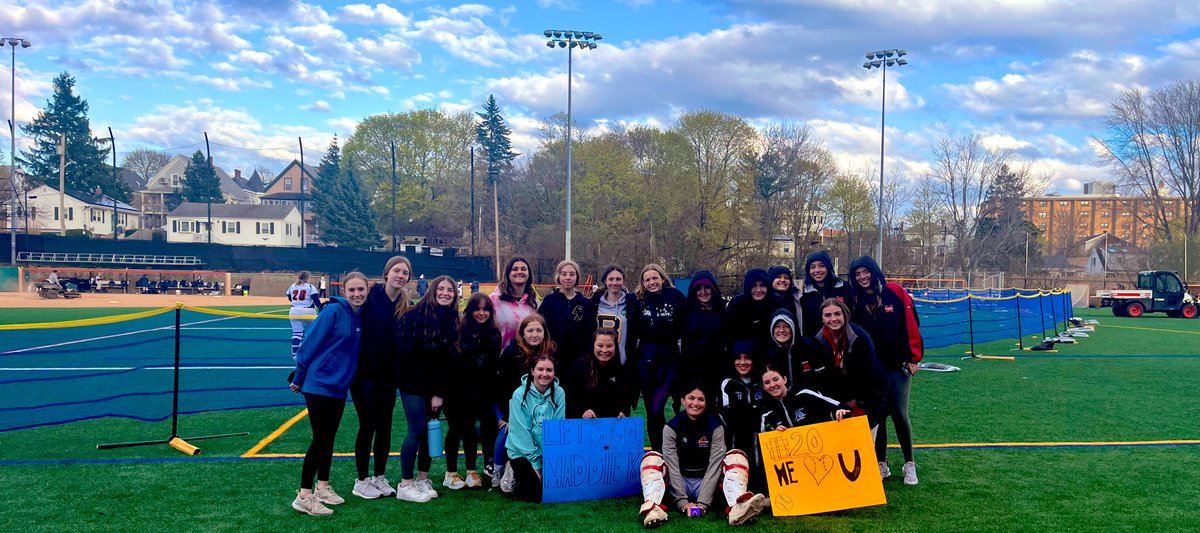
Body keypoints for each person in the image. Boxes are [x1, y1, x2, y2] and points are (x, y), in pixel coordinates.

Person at [288, 272, 369, 516]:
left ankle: (322, 486)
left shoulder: (360, 316)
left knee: (329, 437)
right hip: (319, 384)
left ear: (368, 291)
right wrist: (300, 376)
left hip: (338, 386)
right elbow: (309, 344)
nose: (357, 294)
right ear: (344, 291)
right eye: (352, 290)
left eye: (361, 290)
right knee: (320, 439)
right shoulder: (333, 311)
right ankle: (304, 495)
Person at [638, 383, 766, 528]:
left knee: (736, 456)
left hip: (705, 482)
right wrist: (682, 502)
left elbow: (715, 465)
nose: (695, 403)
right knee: (651, 458)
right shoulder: (671, 427)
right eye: (691, 398)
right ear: (682, 400)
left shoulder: (715, 427)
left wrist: (702, 503)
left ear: (706, 402)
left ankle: (737, 509)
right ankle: (653, 509)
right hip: (680, 481)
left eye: (701, 399)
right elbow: (671, 465)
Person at [848, 255, 924, 486]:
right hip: (872, 368)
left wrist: (913, 357)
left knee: (899, 413)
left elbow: (911, 323)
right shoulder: (855, 300)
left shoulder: (895, 292)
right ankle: (881, 463)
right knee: (877, 415)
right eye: (857, 274)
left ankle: (909, 463)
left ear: (873, 271)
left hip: (897, 365)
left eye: (865, 272)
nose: (862, 277)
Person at [394, 275, 459, 503]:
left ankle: (422, 480)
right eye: (440, 289)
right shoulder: (414, 315)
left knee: (429, 431)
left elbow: (447, 361)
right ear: (432, 290)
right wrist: (426, 389)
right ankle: (405, 484)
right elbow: (406, 355)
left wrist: (438, 392)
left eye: (449, 290)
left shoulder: (452, 318)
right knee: (416, 429)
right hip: (412, 384)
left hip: (434, 388)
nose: (445, 293)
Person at [349, 257, 410, 500]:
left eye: (405, 272)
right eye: (396, 270)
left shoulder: (406, 304)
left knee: (385, 426)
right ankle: (361, 480)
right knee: (368, 424)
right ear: (386, 273)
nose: (400, 275)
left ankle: (379, 476)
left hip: (388, 377)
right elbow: (348, 308)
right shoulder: (370, 296)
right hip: (363, 375)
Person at [444, 293, 503, 490]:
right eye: (477, 309)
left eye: (485, 309)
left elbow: (492, 366)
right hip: (456, 391)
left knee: (471, 432)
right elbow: (451, 364)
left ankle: (471, 470)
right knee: (456, 429)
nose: (481, 313)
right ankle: (450, 472)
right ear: (469, 310)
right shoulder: (457, 331)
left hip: (482, 391)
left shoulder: (494, 334)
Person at [493, 313, 557, 487]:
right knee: (506, 431)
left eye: (538, 330)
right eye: (530, 330)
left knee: (540, 428)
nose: (534, 334)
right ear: (522, 333)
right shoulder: (511, 352)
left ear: (545, 332)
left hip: (537, 404)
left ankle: (543, 467)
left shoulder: (550, 351)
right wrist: (506, 415)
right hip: (509, 403)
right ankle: (499, 469)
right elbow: (503, 386)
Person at [812, 298, 888, 439]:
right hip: (838, 404)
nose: (833, 319)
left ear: (845, 315)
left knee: (865, 447)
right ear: (822, 318)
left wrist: (857, 403)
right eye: (828, 315)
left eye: (837, 314)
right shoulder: (817, 341)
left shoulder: (860, 337)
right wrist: (837, 404)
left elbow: (869, 378)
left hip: (867, 399)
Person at [632, 263, 687, 452]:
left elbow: (685, 325)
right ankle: (658, 452)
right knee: (652, 411)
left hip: (669, 359)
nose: (652, 282)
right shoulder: (638, 300)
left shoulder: (676, 297)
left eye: (655, 278)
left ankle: (675, 447)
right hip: (646, 361)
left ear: (663, 278)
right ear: (642, 283)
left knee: (672, 407)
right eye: (647, 280)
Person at [502, 353, 566, 502]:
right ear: (532, 371)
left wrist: (549, 461)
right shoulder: (519, 395)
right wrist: (536, 466)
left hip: (546, 452)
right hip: (522, 452)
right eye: (540, 369)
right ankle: (511, 468)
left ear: (554, 372)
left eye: (549, 370)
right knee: (535, 496)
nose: (545, 374)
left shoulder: (559, 393)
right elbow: (520, 433)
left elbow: (557, 428)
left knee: (556, 492)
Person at [717, 341, 766, 494]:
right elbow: (726, 415)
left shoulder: (762, 382)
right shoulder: (727, 384)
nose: (743, 362)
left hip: (761, 437)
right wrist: (750, 418)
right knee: (739, 463)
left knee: (760, 464)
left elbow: (768, 410)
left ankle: (763, 489)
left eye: (747, 358)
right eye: (738, 358)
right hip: (736, 437)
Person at [758, 363, 852, 432]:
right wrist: (775, 433)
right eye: (767, 383)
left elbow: (841, 406)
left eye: (776, 379)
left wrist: (840, 411)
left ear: (785, 379)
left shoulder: (804, 394)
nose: (772, 385)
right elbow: (765, 442)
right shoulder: (766, 414)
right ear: (763, 387)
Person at [565, 329, 634, 419]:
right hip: (584, 425)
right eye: (600, 346)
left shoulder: (622, 372)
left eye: (609, 346)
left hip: (612, 427)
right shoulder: (579, 369)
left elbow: (625, 403)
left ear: (615, 347)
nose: (604, 350)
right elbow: (570, 400)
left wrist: (623, 413)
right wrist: (582, 412)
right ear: (593, 345)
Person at [539, 259, 596, 364]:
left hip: (578, 360)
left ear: (577, 277)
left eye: (572, 274)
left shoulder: (585, 303)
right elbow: (541, 328)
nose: (568, 278)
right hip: (552, 358)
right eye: (564, 274)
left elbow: (590, 332)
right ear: (558, 276)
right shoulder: (549, 301)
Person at [763, 308, 831, 394]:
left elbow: (825, 377)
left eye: (786, 326)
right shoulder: (771, 355)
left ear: (793, 327)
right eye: (777, 326)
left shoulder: (809, 346)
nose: (781, 330)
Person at [682, 270, 727, 392]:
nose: (703, 292)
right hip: (693, 369)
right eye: (699, 289)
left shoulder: (724, 310)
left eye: (706, 288)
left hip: (718, 368)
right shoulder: (687, 312)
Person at [591, 265, 642, 369]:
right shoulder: (594, 303)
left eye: (618, 279)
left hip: (622, 361)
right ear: (605, 281)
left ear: (623, 281)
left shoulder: (632, 304)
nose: (614, 283)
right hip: (597, 360)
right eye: (611, 279)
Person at [491, 256, 540, 349]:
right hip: (500, 358)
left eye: (523, 269)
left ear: (528, 273)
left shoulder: (534, 301)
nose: (519, 272)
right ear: (508, 274)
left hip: (527, 357)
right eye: (515, 269)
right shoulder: (494, 299)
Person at [798, 251, 849, 337]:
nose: (817, 270)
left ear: (828, 267)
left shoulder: (844, 288)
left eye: (821, 266)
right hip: (817, 345)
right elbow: (806, 326)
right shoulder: (806, 295)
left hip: (843, 341)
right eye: (813, 267)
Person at [722, 268, 775, 349]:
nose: (758, 290)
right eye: (754, 286)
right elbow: (727, 335)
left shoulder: (774, 305)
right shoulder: (736, 305)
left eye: (762, 285)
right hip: (741, 357)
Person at [287, 271, 323, 360]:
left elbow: (289, 297)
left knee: (296, 333)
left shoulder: (292, 286)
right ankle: (313, 352)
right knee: (313, 331)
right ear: (307, 278)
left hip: (294, 310)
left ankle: (295, 354)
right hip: (308, 311)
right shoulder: (310, 287)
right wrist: (322, 310)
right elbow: (316, 300)